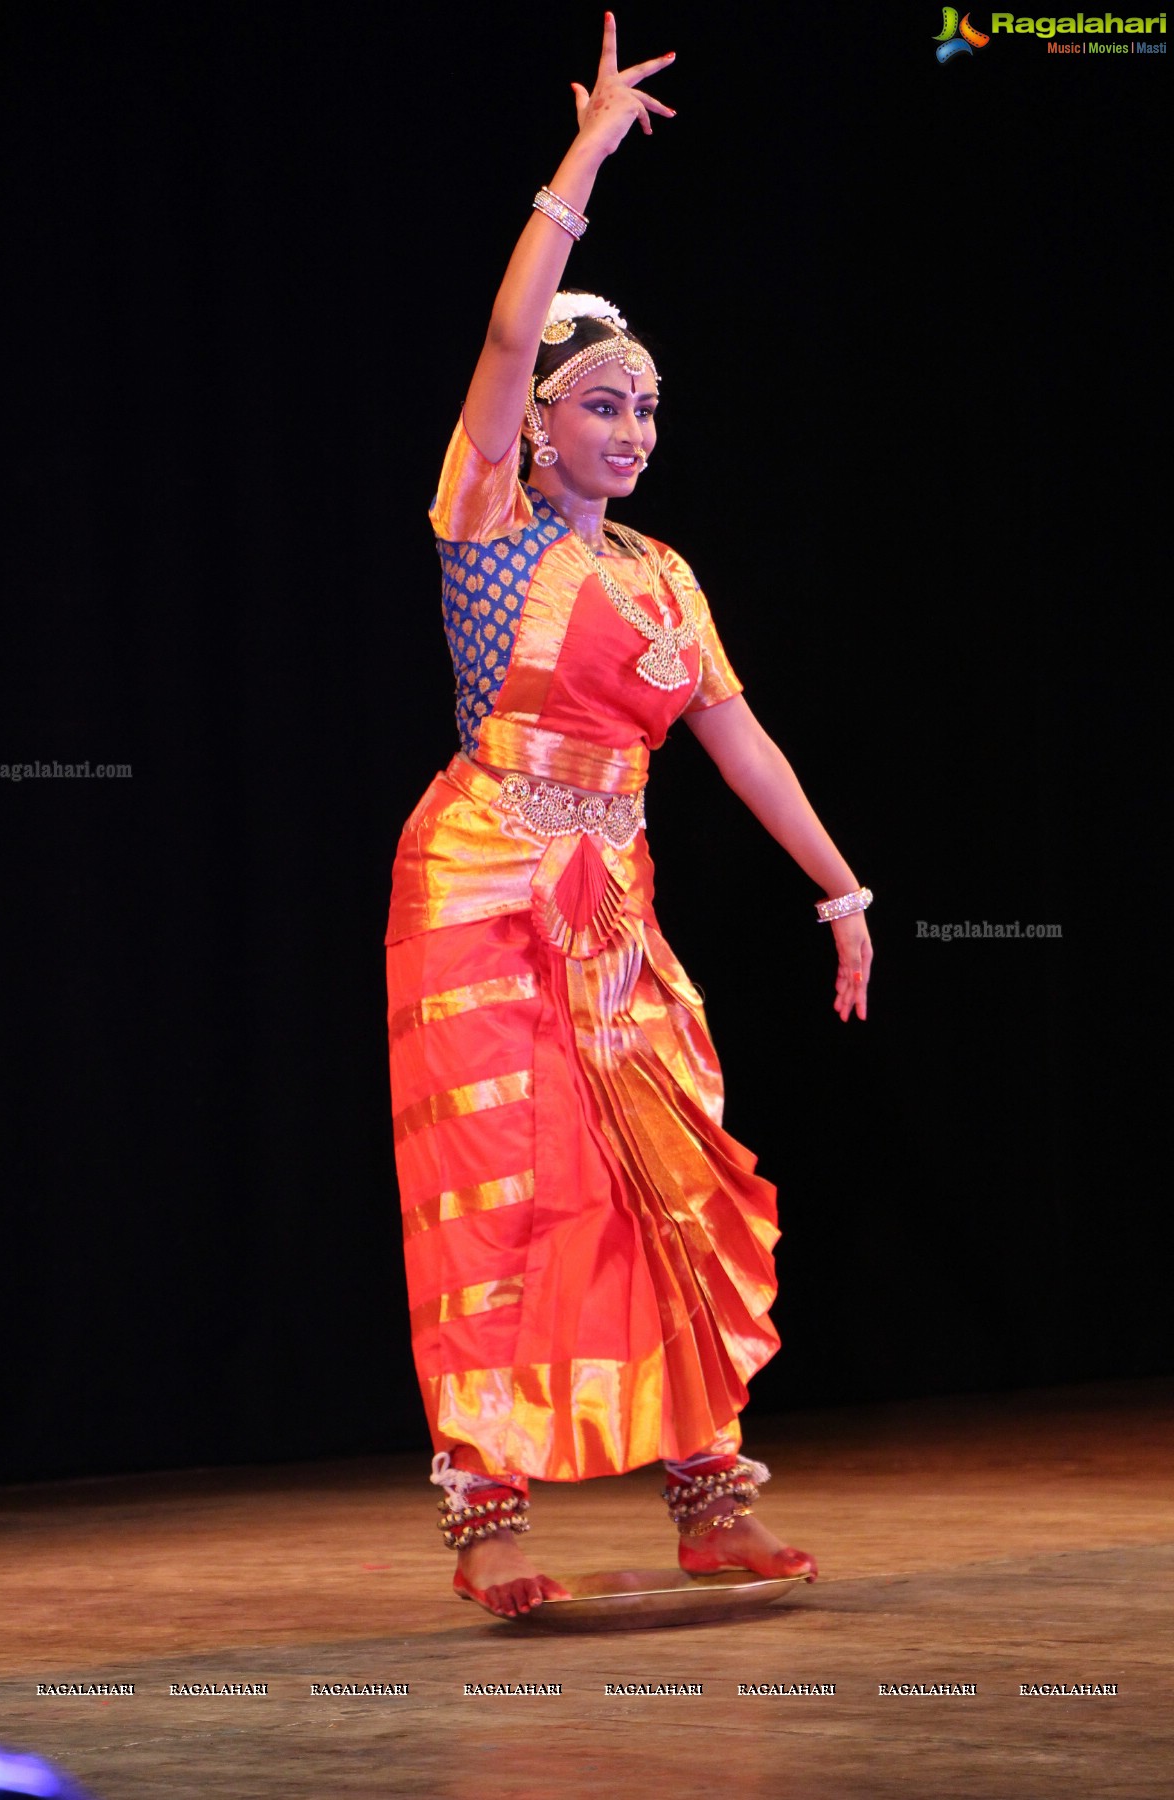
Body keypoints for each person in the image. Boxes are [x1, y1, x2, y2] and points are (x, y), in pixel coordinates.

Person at [386, 15, 873, 1620]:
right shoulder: (485, 530)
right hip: (481, 880)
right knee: (503, 1187)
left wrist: (839, 889)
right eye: (606, 407)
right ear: (541, 425)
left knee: (662, 1168)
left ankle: (710, 1493)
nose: (633, 432)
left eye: (649, 412)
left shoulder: (662, 574)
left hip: (613, 895)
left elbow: (736, 739)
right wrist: (584, 160)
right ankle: (491, 1518)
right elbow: (510, 334)